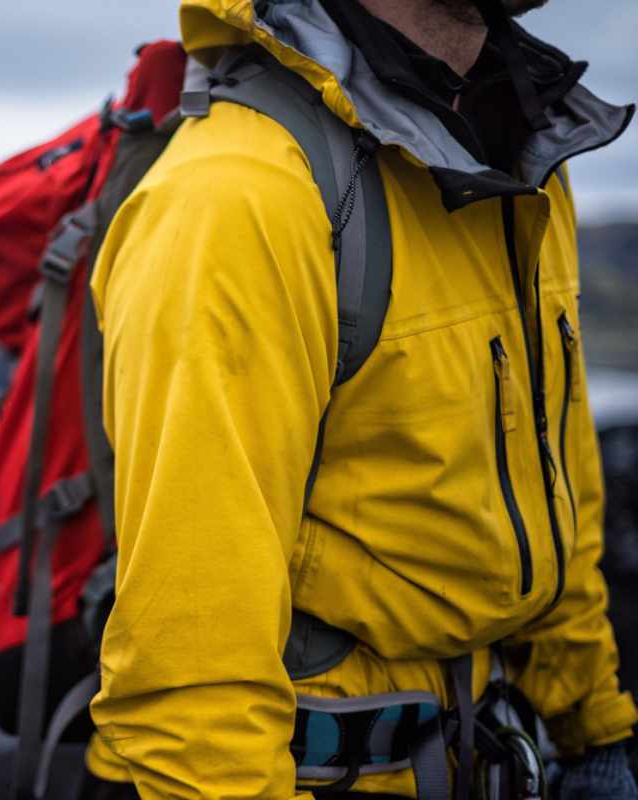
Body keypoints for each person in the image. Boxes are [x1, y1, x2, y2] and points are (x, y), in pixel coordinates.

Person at [84, 0, 637, 797]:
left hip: (488, 750)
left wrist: (593, 730)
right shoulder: (238, 197)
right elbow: (191, 676)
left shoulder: (522, 147)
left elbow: (552, 477)